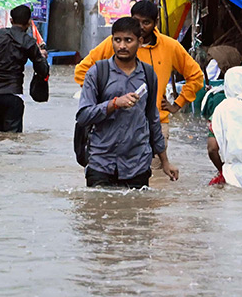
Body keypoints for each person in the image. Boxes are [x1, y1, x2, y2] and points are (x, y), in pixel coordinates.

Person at [76, 16, 179, 188]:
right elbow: (83, 115)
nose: (122, 46)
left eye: (128, 40)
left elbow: (153, 119)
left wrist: (165, 162)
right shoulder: (97, 72)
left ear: (139, 42)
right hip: (101, 162)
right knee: (97, 211)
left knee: (136, 211)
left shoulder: (148, 74)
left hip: (137, 164)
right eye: (117, 40)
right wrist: (114, 103)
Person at [74, 0, 204, 124]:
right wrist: (105, 102)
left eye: (146, 23)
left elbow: (196, 76)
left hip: (156, 123)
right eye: (136, 21)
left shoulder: (170, 46)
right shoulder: (116, 43)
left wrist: (177, 104)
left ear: (156, 22)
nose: (140, 27)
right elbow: (82, 71)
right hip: (116, 122)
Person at [0, 5, 48, 133]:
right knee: (12, 141)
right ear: (29, 23)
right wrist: (42, 57)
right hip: (13, 95)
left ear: (11, 20)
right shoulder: (29, 42)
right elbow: (43, 70)